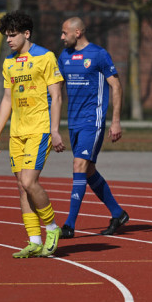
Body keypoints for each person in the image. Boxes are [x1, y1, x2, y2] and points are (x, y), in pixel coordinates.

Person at [0, 11, 65, 258]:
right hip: (17, 133)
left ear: (26, 34)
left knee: (29, 182)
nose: (8, 40)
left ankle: (52, 228)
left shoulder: (46, 57)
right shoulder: (9, 63)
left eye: (12, 35)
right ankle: (34, 240)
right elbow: (7, 99)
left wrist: (54, 130)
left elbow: (57, 96)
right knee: (21, 187)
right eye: (6, 36)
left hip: (39, 129)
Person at [57, 17, 129, 239]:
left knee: (79, 166)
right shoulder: (64, 57)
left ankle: (69, 225)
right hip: (73, 121)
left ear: (77, 32)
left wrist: (115, 121)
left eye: (64, 33)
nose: (61, 37)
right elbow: (56, 92)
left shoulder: (98, 54)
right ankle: (118, 214)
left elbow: (115, 86)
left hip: (93, 120)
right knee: (88, 171)